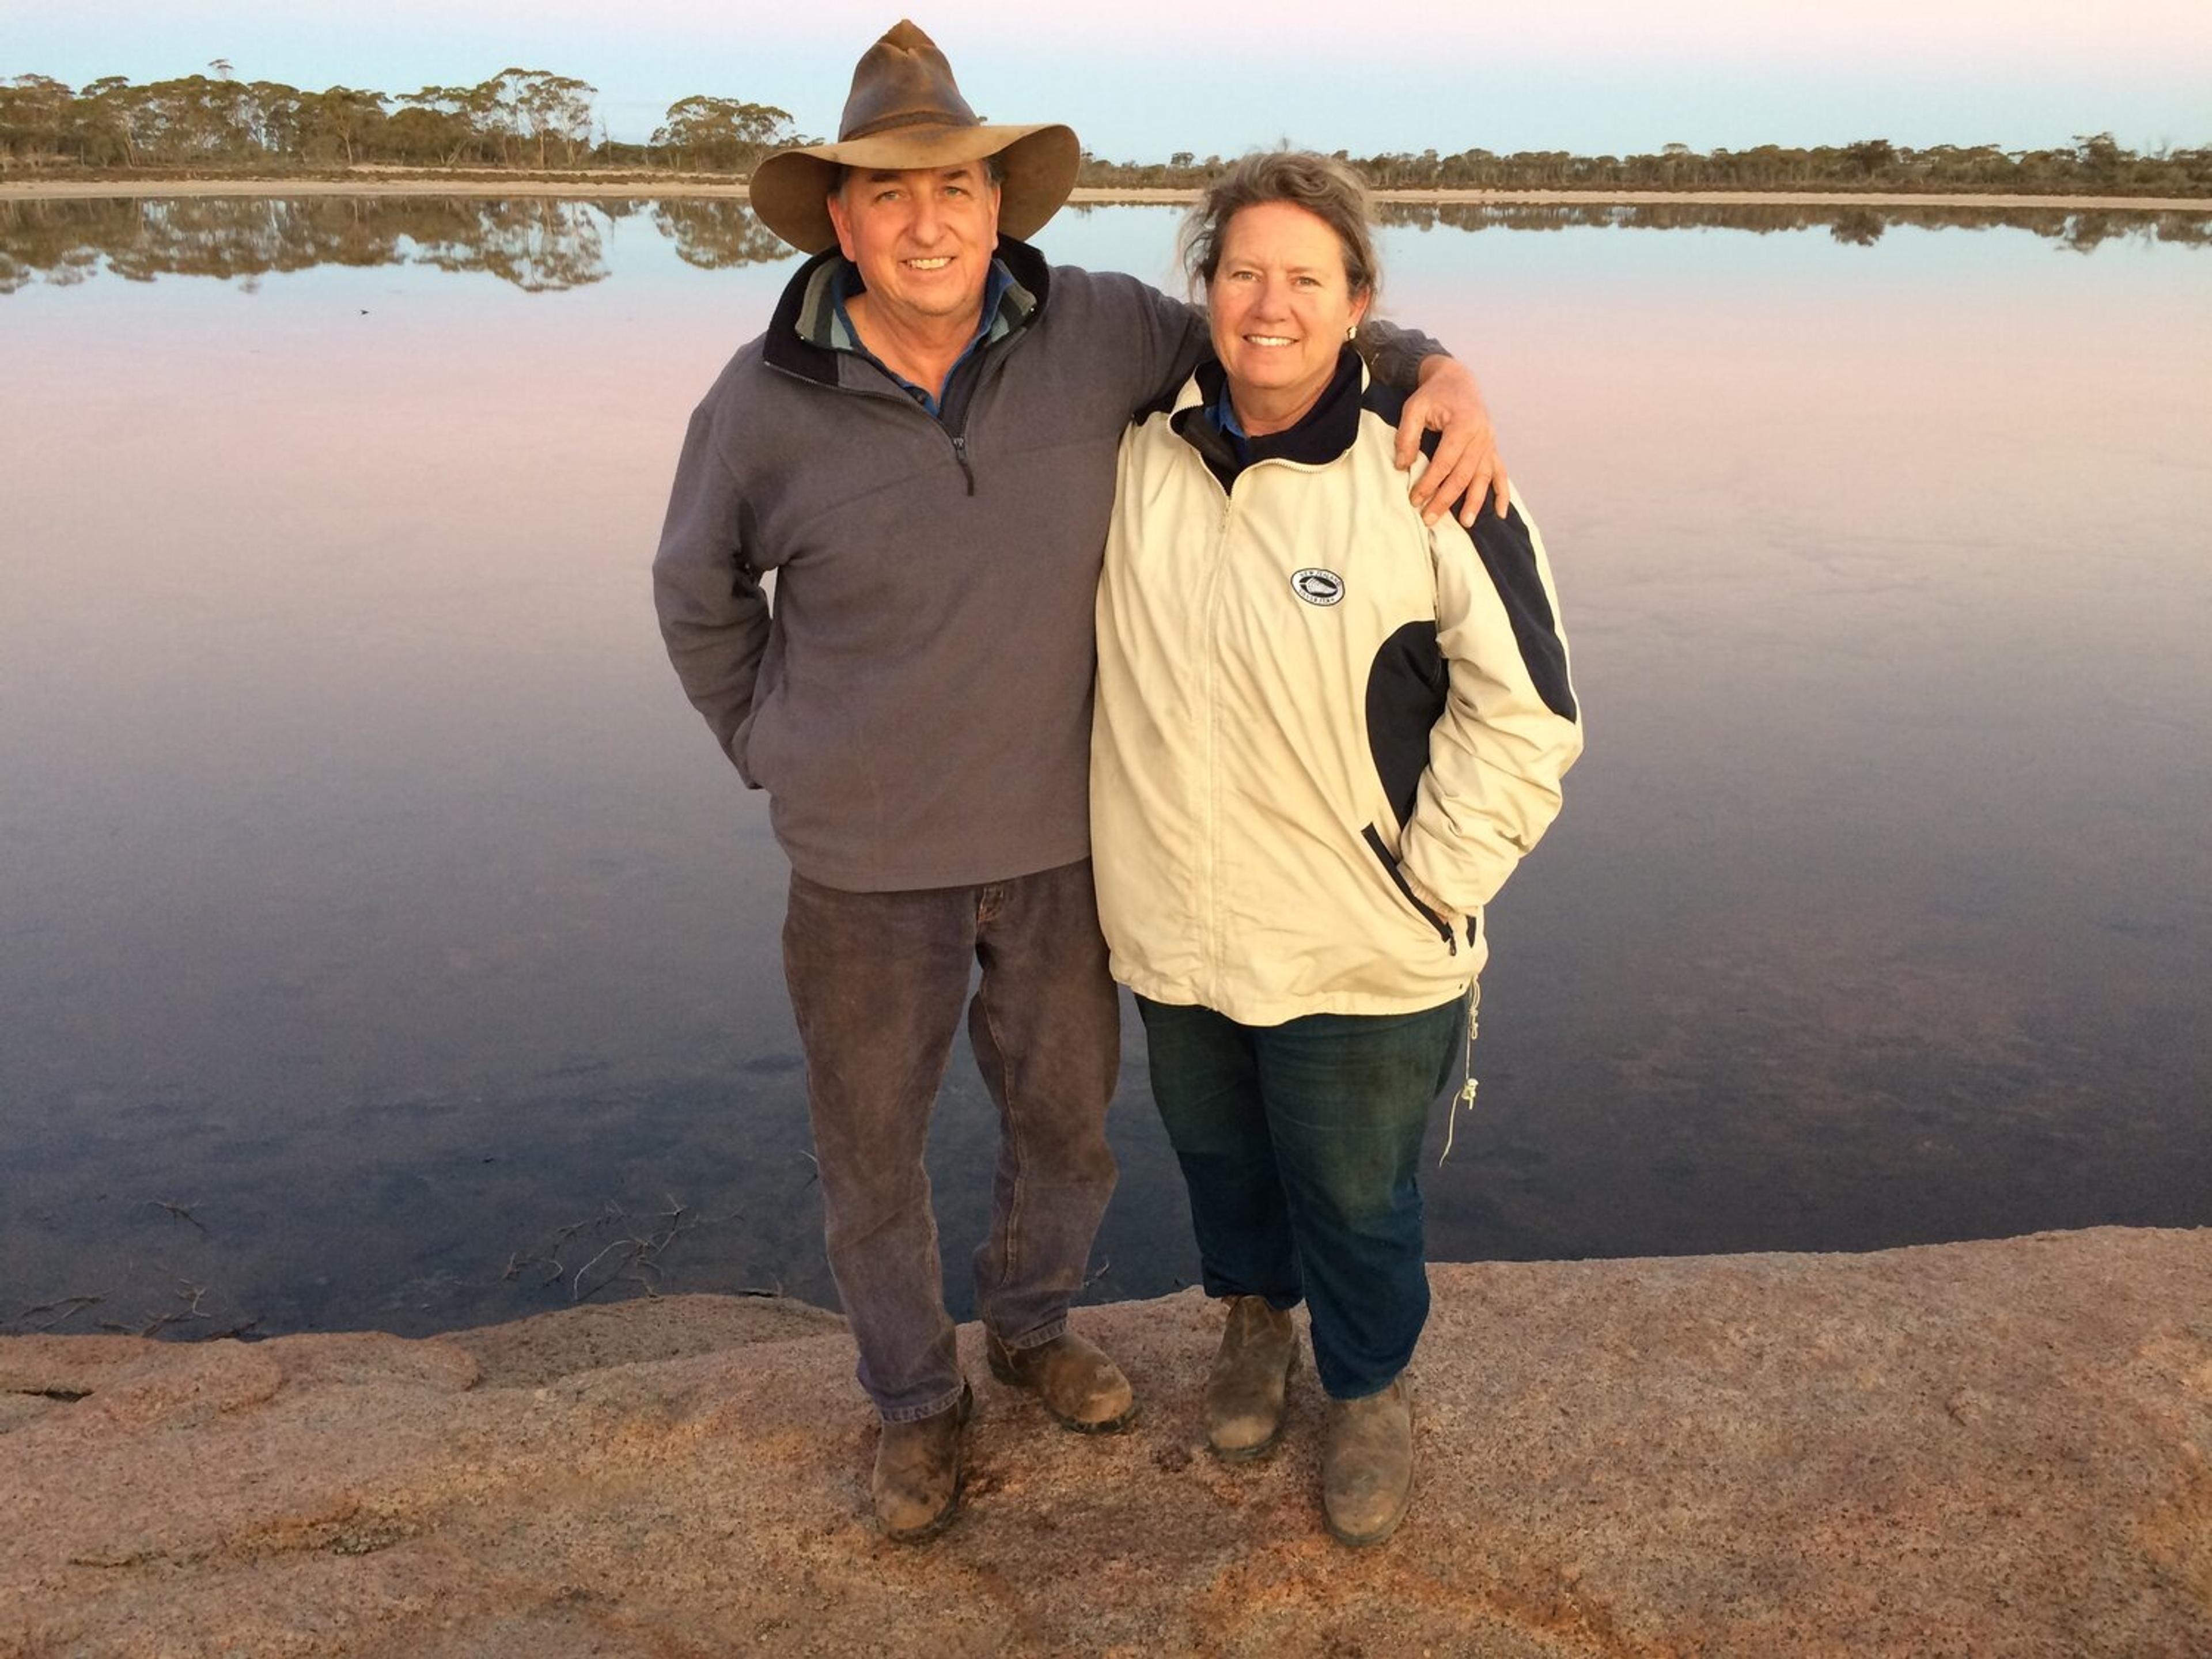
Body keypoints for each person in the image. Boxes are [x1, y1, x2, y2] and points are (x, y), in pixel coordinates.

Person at [652, 23, 1507, 1544]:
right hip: (862, 868)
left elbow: (1284, 331)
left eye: (960, 190)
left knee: (1069, 1130)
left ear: (1003, 209)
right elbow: (696, 591)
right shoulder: (759, 401)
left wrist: (1440, 367)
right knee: (873, 1151)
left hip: (1067, 847)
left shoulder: (1104, 331)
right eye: (891, 195)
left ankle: (1033, 1330)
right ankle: (917, 1405)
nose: (931, 223)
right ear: (840, 219)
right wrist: (771, 744)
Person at [1090, 151, 1584, 1547]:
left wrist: (1430, 879)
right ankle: (1255, 1328)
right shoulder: (1138, 447)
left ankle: (1368, 1386)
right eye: (1243, 270)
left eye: (1306, 277)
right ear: (1206, 287)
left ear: (1358, 300)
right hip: (1178, 927)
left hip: (1360, 940)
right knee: (1223, 1164)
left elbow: (1532, 712)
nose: (1269, 303)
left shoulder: (1426, 465)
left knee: (1358, 1195)